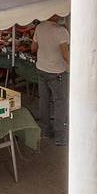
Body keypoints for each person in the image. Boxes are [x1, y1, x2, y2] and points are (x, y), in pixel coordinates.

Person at [32, 14, 70, 146]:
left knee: (44, 101)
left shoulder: (39, 27)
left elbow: (33, 48)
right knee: (60, 104)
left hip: (42, 68)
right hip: (57, 72)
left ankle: (45, 131)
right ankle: (60, 137)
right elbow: (65, 55)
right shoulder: (61, 31)